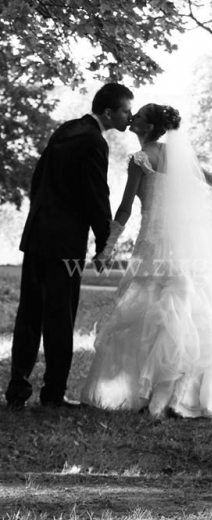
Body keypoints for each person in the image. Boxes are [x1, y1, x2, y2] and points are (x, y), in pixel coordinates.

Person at [80, 103, 212, 418]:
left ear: (147, 126)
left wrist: (107, 248)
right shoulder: (181, 157)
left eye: (139, 115)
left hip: (154, 244)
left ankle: (156, 398)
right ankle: (177, 396)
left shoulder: (141, 158)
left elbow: (125, 209)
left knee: (156, 312)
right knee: (186, 309)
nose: (133, 118)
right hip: (184, 246)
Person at [5, 83, 134, 410]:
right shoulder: (94, 141)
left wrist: (41, 216)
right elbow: (96, 195)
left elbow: (38, 179)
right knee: (60, 316)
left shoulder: (66, 130)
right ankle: (52, 395)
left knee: (29, 314)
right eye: (125, 111)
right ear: (109, 112)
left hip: (36, 235)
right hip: (64, 243)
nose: (129, 117)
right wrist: (106, 243)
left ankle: (17, 391)